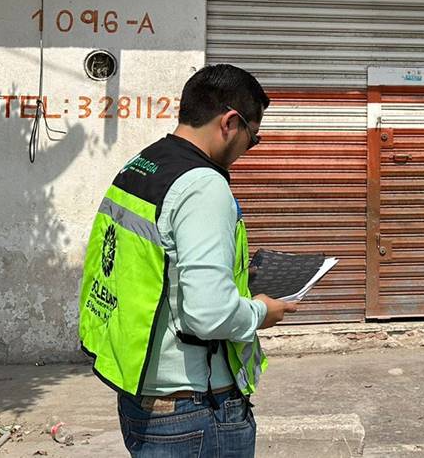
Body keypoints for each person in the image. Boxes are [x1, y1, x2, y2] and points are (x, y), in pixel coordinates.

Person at [78, 64, 297, 457]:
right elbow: (209, 315)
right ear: (230, 122)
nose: (251, 147)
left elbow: (154, 266)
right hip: (195, 412)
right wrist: (261, 312)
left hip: (143, 398)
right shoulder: (203, 186)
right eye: (254, 136)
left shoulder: (144, 164)